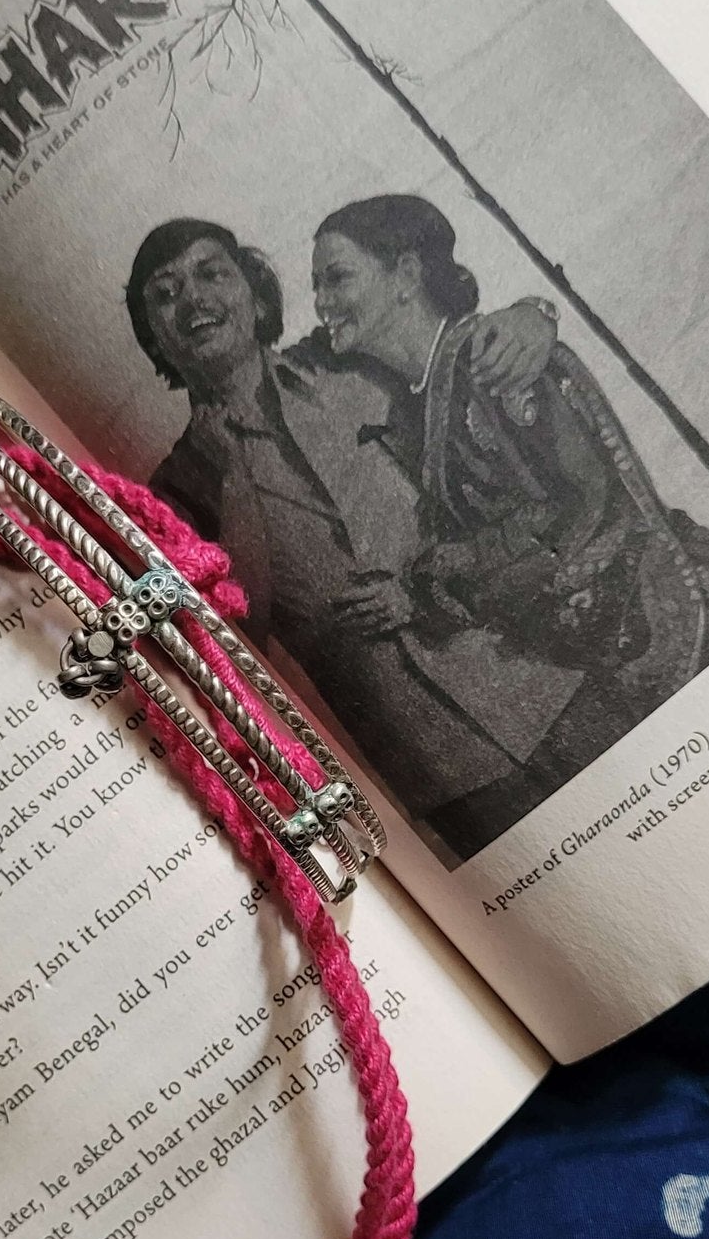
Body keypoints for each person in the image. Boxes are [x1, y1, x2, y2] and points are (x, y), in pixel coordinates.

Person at [310, 195, 709, 845]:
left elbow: (572, 515)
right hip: (620, 651)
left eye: (337, 277)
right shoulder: (423, 397)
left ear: (407, 275)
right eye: (314, 285)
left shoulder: (497, 356)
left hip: (688, 625)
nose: (321, 301)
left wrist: (425, 589)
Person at [129, 216, 563, 851]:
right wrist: (229, 478)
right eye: (165, 296)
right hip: (435, 759)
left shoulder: (347, 359)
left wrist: (535, 312)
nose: (192, 300)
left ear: (254, 292)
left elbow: (452, 351)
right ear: (157, 341)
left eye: (211, 273)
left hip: (533, 664)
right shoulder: (170, 494)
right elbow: (240, 647)